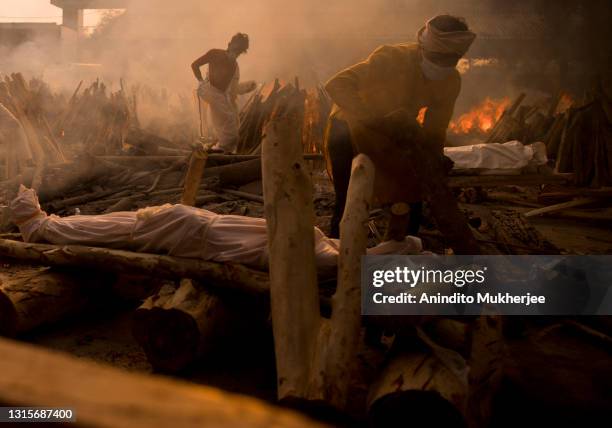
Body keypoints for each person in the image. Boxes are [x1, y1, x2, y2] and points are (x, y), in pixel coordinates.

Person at [10, 186, 423, 275]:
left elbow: (359, 260)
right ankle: (38, 223)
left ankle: (37, 223)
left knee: (109, 229)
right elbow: (357, 260)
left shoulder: (317, 247)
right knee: (110, 229)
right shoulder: (320, 250)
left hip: (192, 227)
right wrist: (405, 246)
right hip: (191, 227)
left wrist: (406, 246)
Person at [323, 15, 476, 238]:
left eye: (450, 60)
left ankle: (402, 248)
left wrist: (434, 157)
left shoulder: (450, 81)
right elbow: (337, 84)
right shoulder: (391, 58)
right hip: (348, 127)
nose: (442, 65)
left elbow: (436, 128)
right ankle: (337, 256)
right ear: (423, 47)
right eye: (437, 58)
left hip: (391, 133)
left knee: (410, 192)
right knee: (349, 199)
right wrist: (374, 119)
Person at [191, 33, 256, 153]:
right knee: (230, 130)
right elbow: (194, 65)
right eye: (235, 49)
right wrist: (201, 82)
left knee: (233, 124)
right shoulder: (215, 53)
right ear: (229, 45)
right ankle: (221, 150)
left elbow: (232, 90)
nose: (235, 54)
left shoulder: (235, 67)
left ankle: (220, 151)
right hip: (208, 90)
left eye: (239, 52)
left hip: (220, 96)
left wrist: (247, 87)